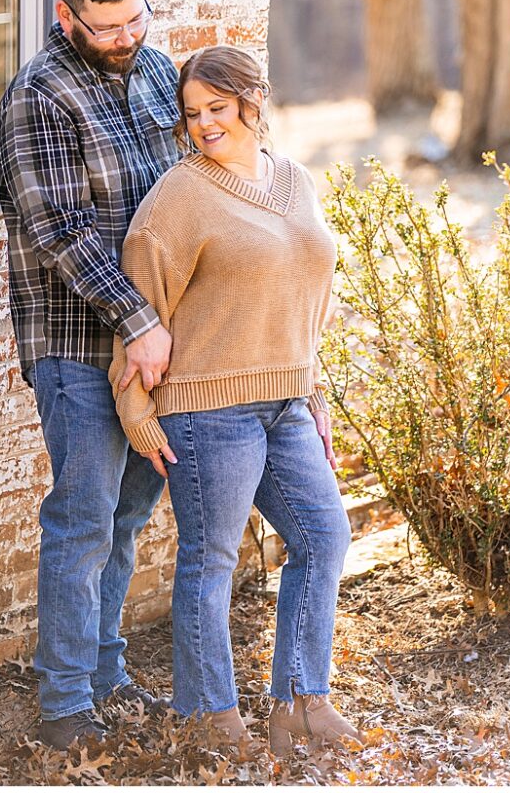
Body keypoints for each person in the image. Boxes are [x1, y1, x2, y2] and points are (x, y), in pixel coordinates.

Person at [109, 47, 352, 753]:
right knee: (211, 560)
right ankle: (209, 717)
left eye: (218, 108)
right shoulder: (179, 197)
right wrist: (137, 414)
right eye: (192, 114)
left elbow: (308, 299)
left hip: (288, 401)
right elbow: (138, 314)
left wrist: (317, 390)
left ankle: (301, 703)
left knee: (324, 538)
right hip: (207, 410)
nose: (205, 124)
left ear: (253, 101)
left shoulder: (296, 181)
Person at [0, 0, 181, 752]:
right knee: (82, 520)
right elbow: (60, 231)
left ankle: (106, 670)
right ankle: (65, 704)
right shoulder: (40, 96)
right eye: (105, 28)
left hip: (159, 349)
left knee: (132, 510)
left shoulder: (158, 67)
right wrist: (139, 321)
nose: (126, 37)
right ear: (65, 17)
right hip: (78, 347)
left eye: (135, 18)